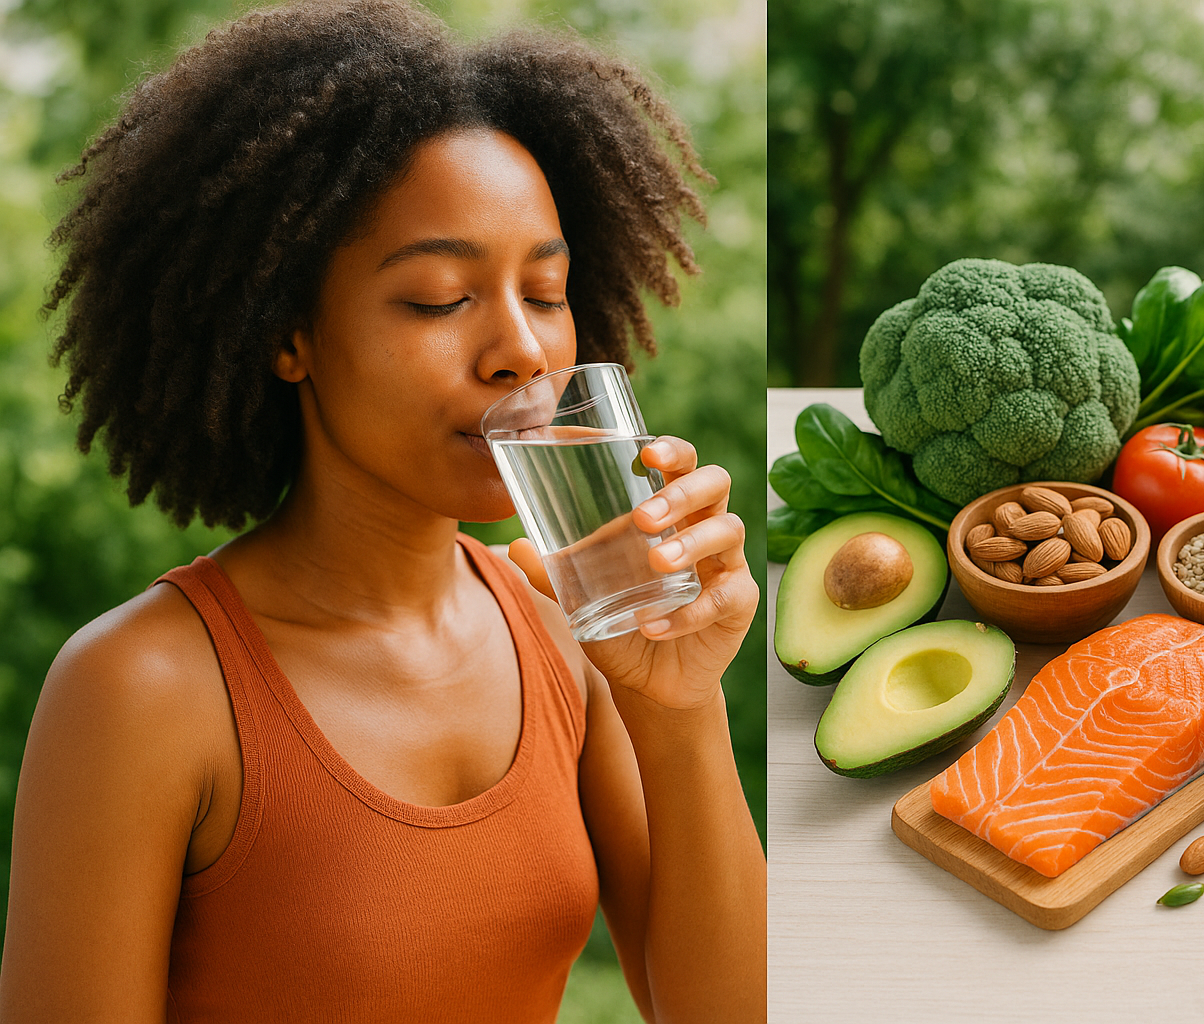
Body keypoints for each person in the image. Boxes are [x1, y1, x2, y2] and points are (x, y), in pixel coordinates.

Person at [0, 2, 765, 1022]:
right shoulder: (141, 689)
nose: (521, 351)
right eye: (441, 298)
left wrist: (680, 708)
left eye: (545, 293)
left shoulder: (566, 627)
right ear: (289, 336)